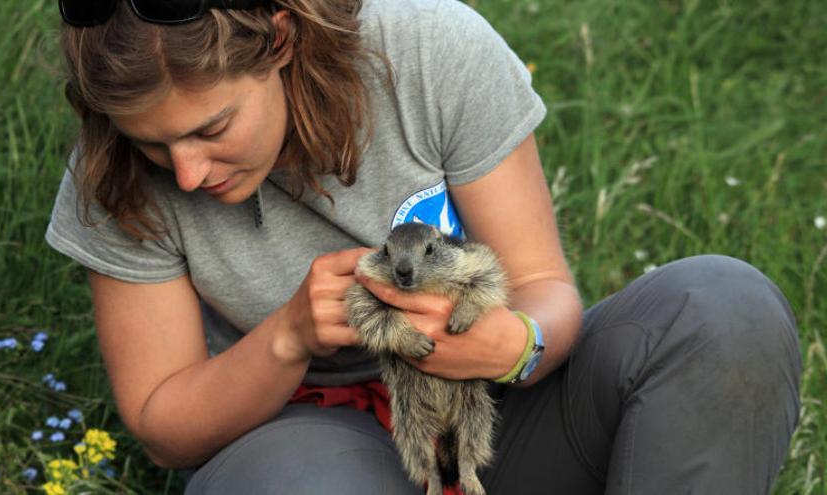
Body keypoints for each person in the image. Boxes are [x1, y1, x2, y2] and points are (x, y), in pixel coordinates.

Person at [47, 0, 802, 493]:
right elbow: (161, 424)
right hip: (311, 454)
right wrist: (287, 338)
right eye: (154, 144)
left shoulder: (429, 51)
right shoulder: (112, 172)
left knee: (722, 309)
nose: (185, 171)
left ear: (278, 39)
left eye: (212, 129)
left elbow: (545, 287)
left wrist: (516, 345)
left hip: (500, 427)